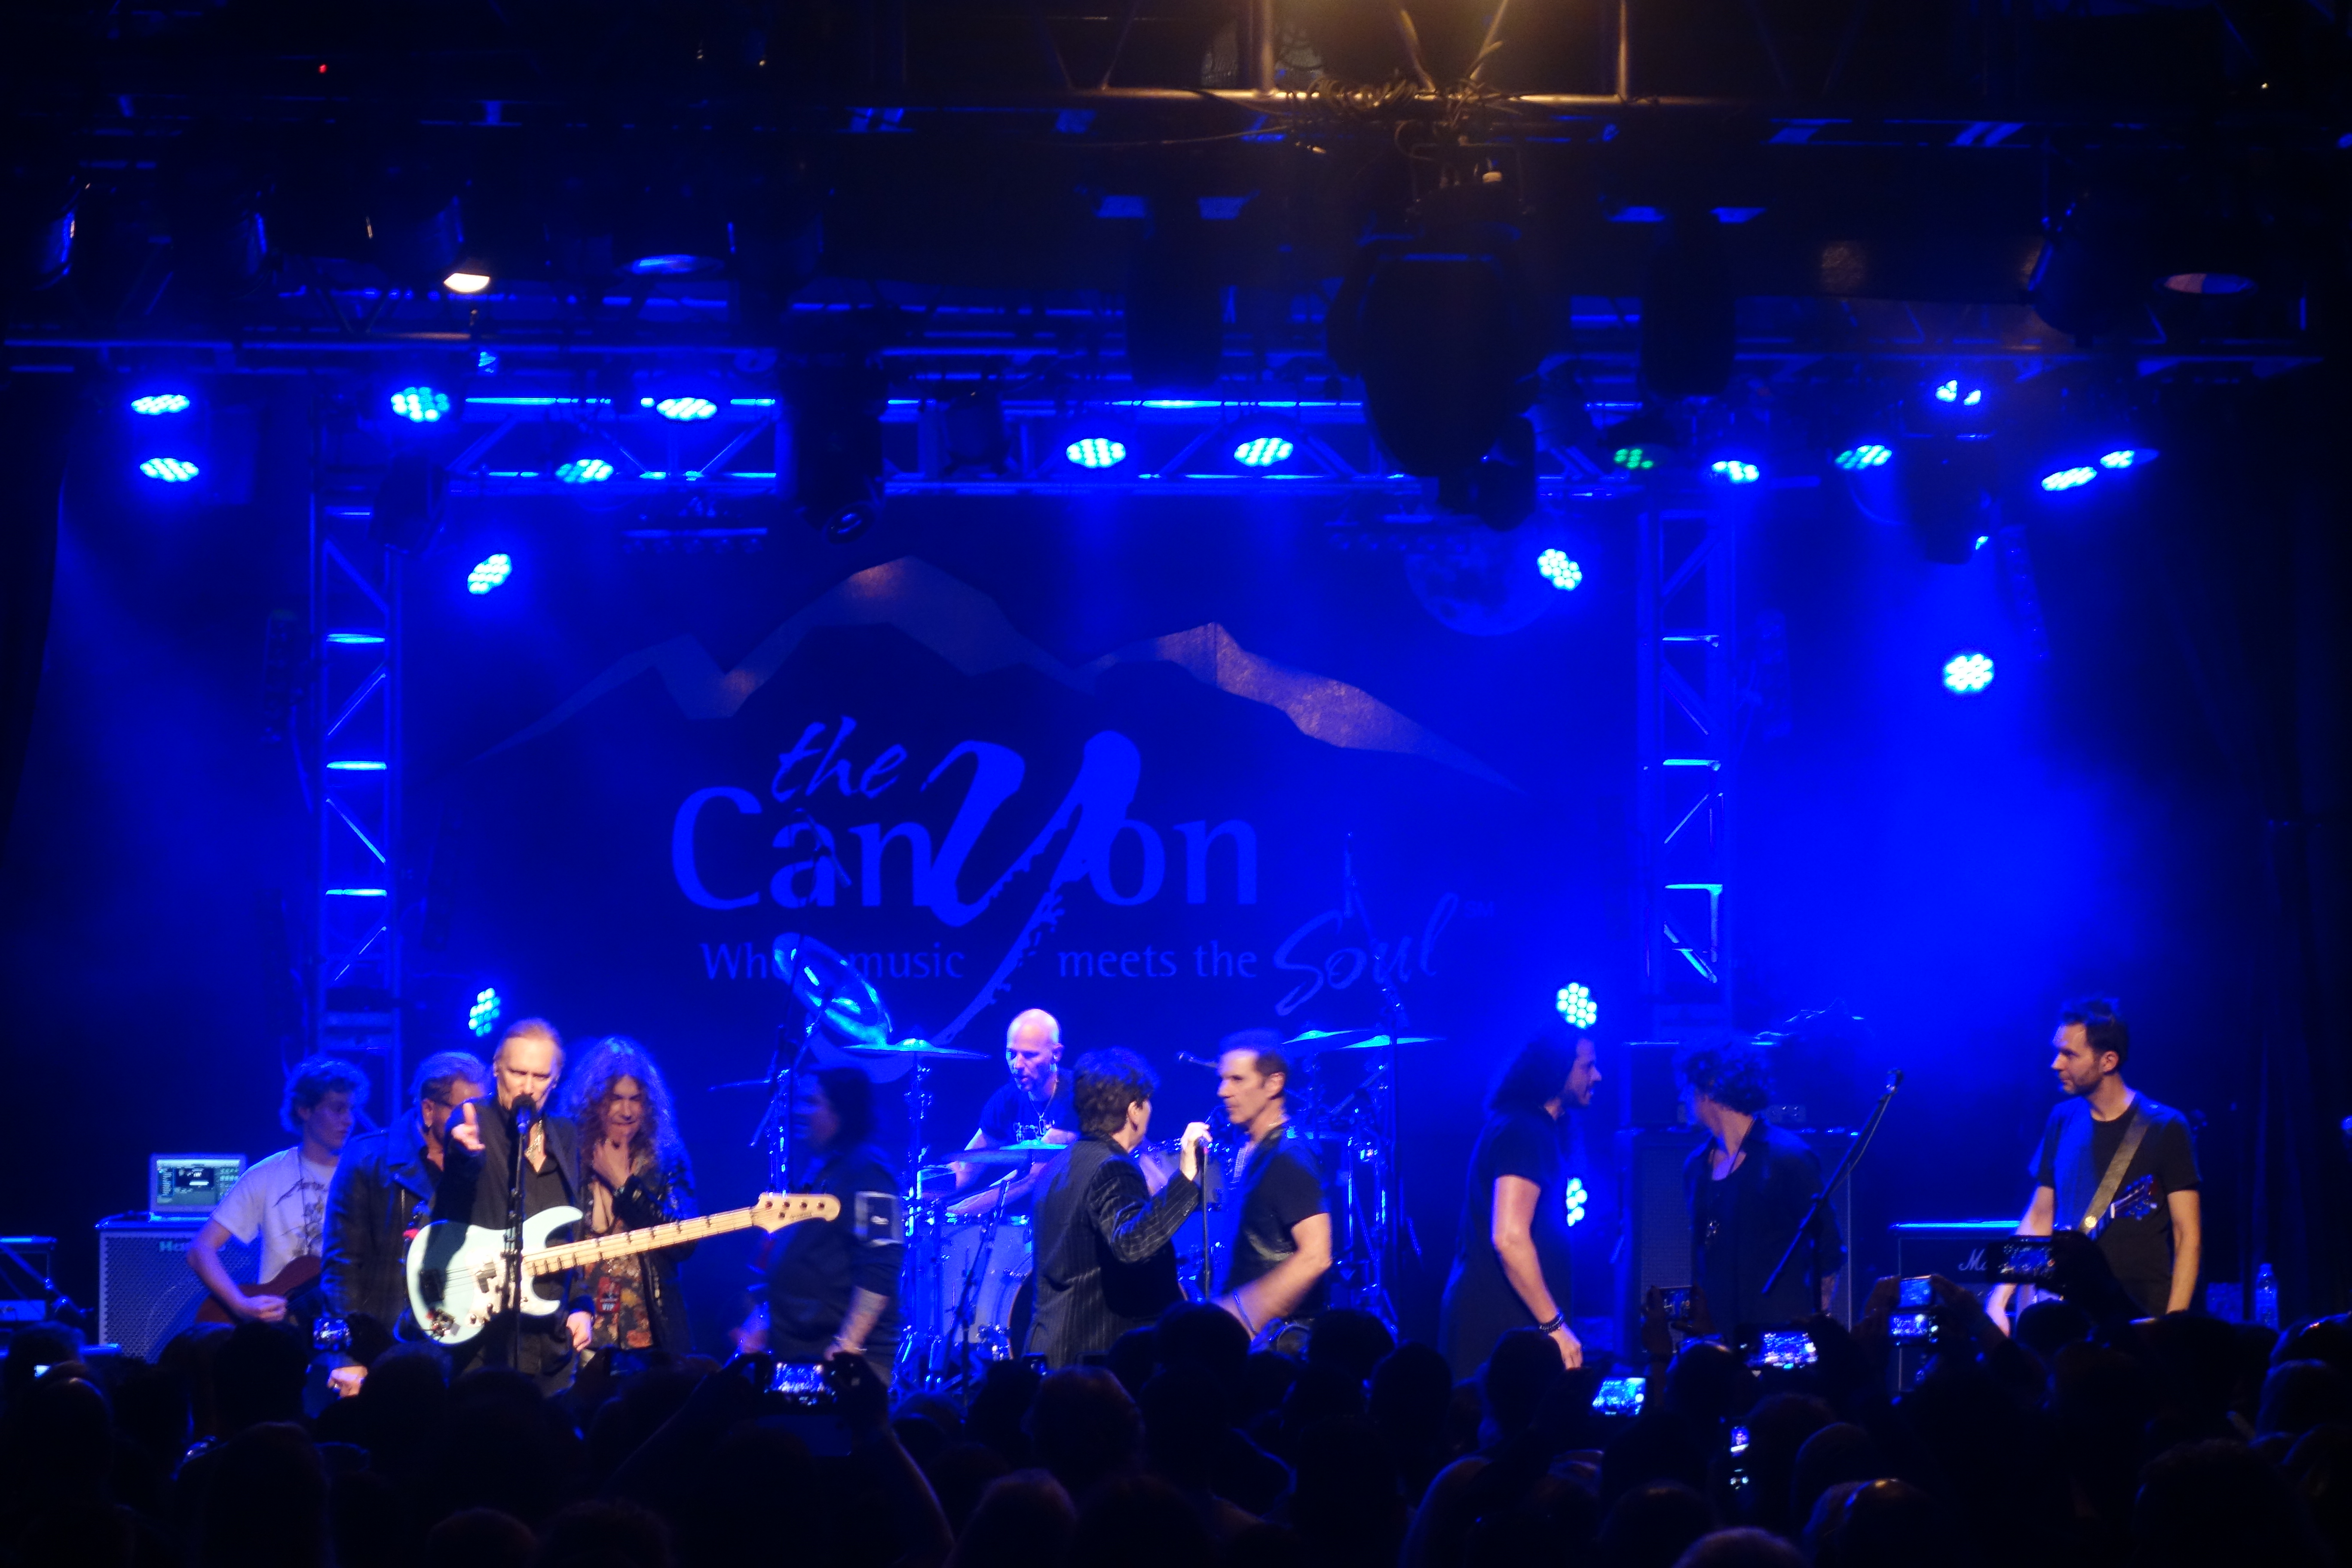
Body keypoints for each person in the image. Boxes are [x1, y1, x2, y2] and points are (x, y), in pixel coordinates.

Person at [1988, 998, 2201, 1327]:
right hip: (2069, 1317)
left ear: (2108, 1061)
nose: (2055, 1064)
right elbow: (2040, 1215)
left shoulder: (2166, 1127)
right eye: (2056, 1052)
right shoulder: (2062, 1119)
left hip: (2138, 1316)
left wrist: (2173, 1325)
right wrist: (1999, 1299)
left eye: (2069, 1054)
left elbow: (2187, 1235)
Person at [320, 1049, 488, 1395]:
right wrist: (347, 1354)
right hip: (383, 1348)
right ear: (429, 1109)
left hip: (460, 1350)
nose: (475, 1122)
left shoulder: (483, 1161)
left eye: (481, 1110)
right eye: (464, 1110)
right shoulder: (368, 1158)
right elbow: (341, 1267)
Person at [1027, 1049, 1210, 1368]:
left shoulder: (1057, 1167)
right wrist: (1185, 1178)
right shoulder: (1113, 1167)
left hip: (1053, 1351)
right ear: (1134, 1110)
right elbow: (1132, 1245)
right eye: (1147, 1102)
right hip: (1095, 1358)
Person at [435, 1017, 589, 1393]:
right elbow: (455, 1192)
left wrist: (581, 1304)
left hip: (549, 1337)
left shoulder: (565, 1134)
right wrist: (464, 1154)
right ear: (496, 1068)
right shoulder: (472, 1119)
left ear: (556, 1079)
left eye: (541, 1076)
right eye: (518, 1073)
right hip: (482, 1335)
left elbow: (571, 1231)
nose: (528, 1087)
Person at [1438, 1028, 1600, 1378]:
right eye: (1588, 1067)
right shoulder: (1525, 1131)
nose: (1597, 1076)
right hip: (1500, 1333)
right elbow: (1509, 1238)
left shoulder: (1526, 1127)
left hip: (1507, 1329)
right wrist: (1554, 1325)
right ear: (1558, 1070)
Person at [739, 1065, 904, 1380]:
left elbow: (881, 1265)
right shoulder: (822, 1168)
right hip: (800, 1356)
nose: (798, 1111)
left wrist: (847, 1344)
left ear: (843, 1111)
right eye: (799, 1101)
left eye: (812, 1102)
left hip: (844, 1364)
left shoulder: (868, 1173)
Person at [189, 1055, 370, 1323]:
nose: (349, 1120)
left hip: (346, 1324)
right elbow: (200, 1249)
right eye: (338, 1109)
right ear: (305, 1110)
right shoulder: (267, 1174)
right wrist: (241, 1305)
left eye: (352, 1110)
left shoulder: (367, 1177)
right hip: (280, 1329)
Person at [1680, 1043, 1845, 1330]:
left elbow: (1828, 1248)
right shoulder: (1696, 1166)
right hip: (1719, 1334)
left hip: (1779, 1333)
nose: (1683, 1098)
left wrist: (1816, 1321)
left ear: (1710, 1088)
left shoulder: (1788, 1158)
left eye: (1688, 1088)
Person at [555, 1036, 698, 1363]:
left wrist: (625, 1185)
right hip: (580, 1334)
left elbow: (685, 1243)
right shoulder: (568, 1157)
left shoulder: (666, 1159)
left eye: (636, 1100)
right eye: (616, 1099)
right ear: (594, 1103)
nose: (627, 1111)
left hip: (650, 1339)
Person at [1211, 1031, 1332, 1341]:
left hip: (1278, 1344)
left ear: (1274, 1084)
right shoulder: (1250, 1149)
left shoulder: (1289, 1156)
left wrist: (1240, 1315)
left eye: (1237, 1080)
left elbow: (1317, 1256)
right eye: (1222, 1079)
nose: (1223, 1091)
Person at [951, 1008, 1080, 1216]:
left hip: (1074, 1215)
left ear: (1056, 1054)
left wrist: (962, 1209)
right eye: (1012, 1054)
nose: (1017, 1065)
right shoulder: (1006, 1099)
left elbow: (1033, 1175)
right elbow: (965, 1169)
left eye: (1030, 1055)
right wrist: (919, 1191)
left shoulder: (1078, 1096)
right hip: (1022, 1222)